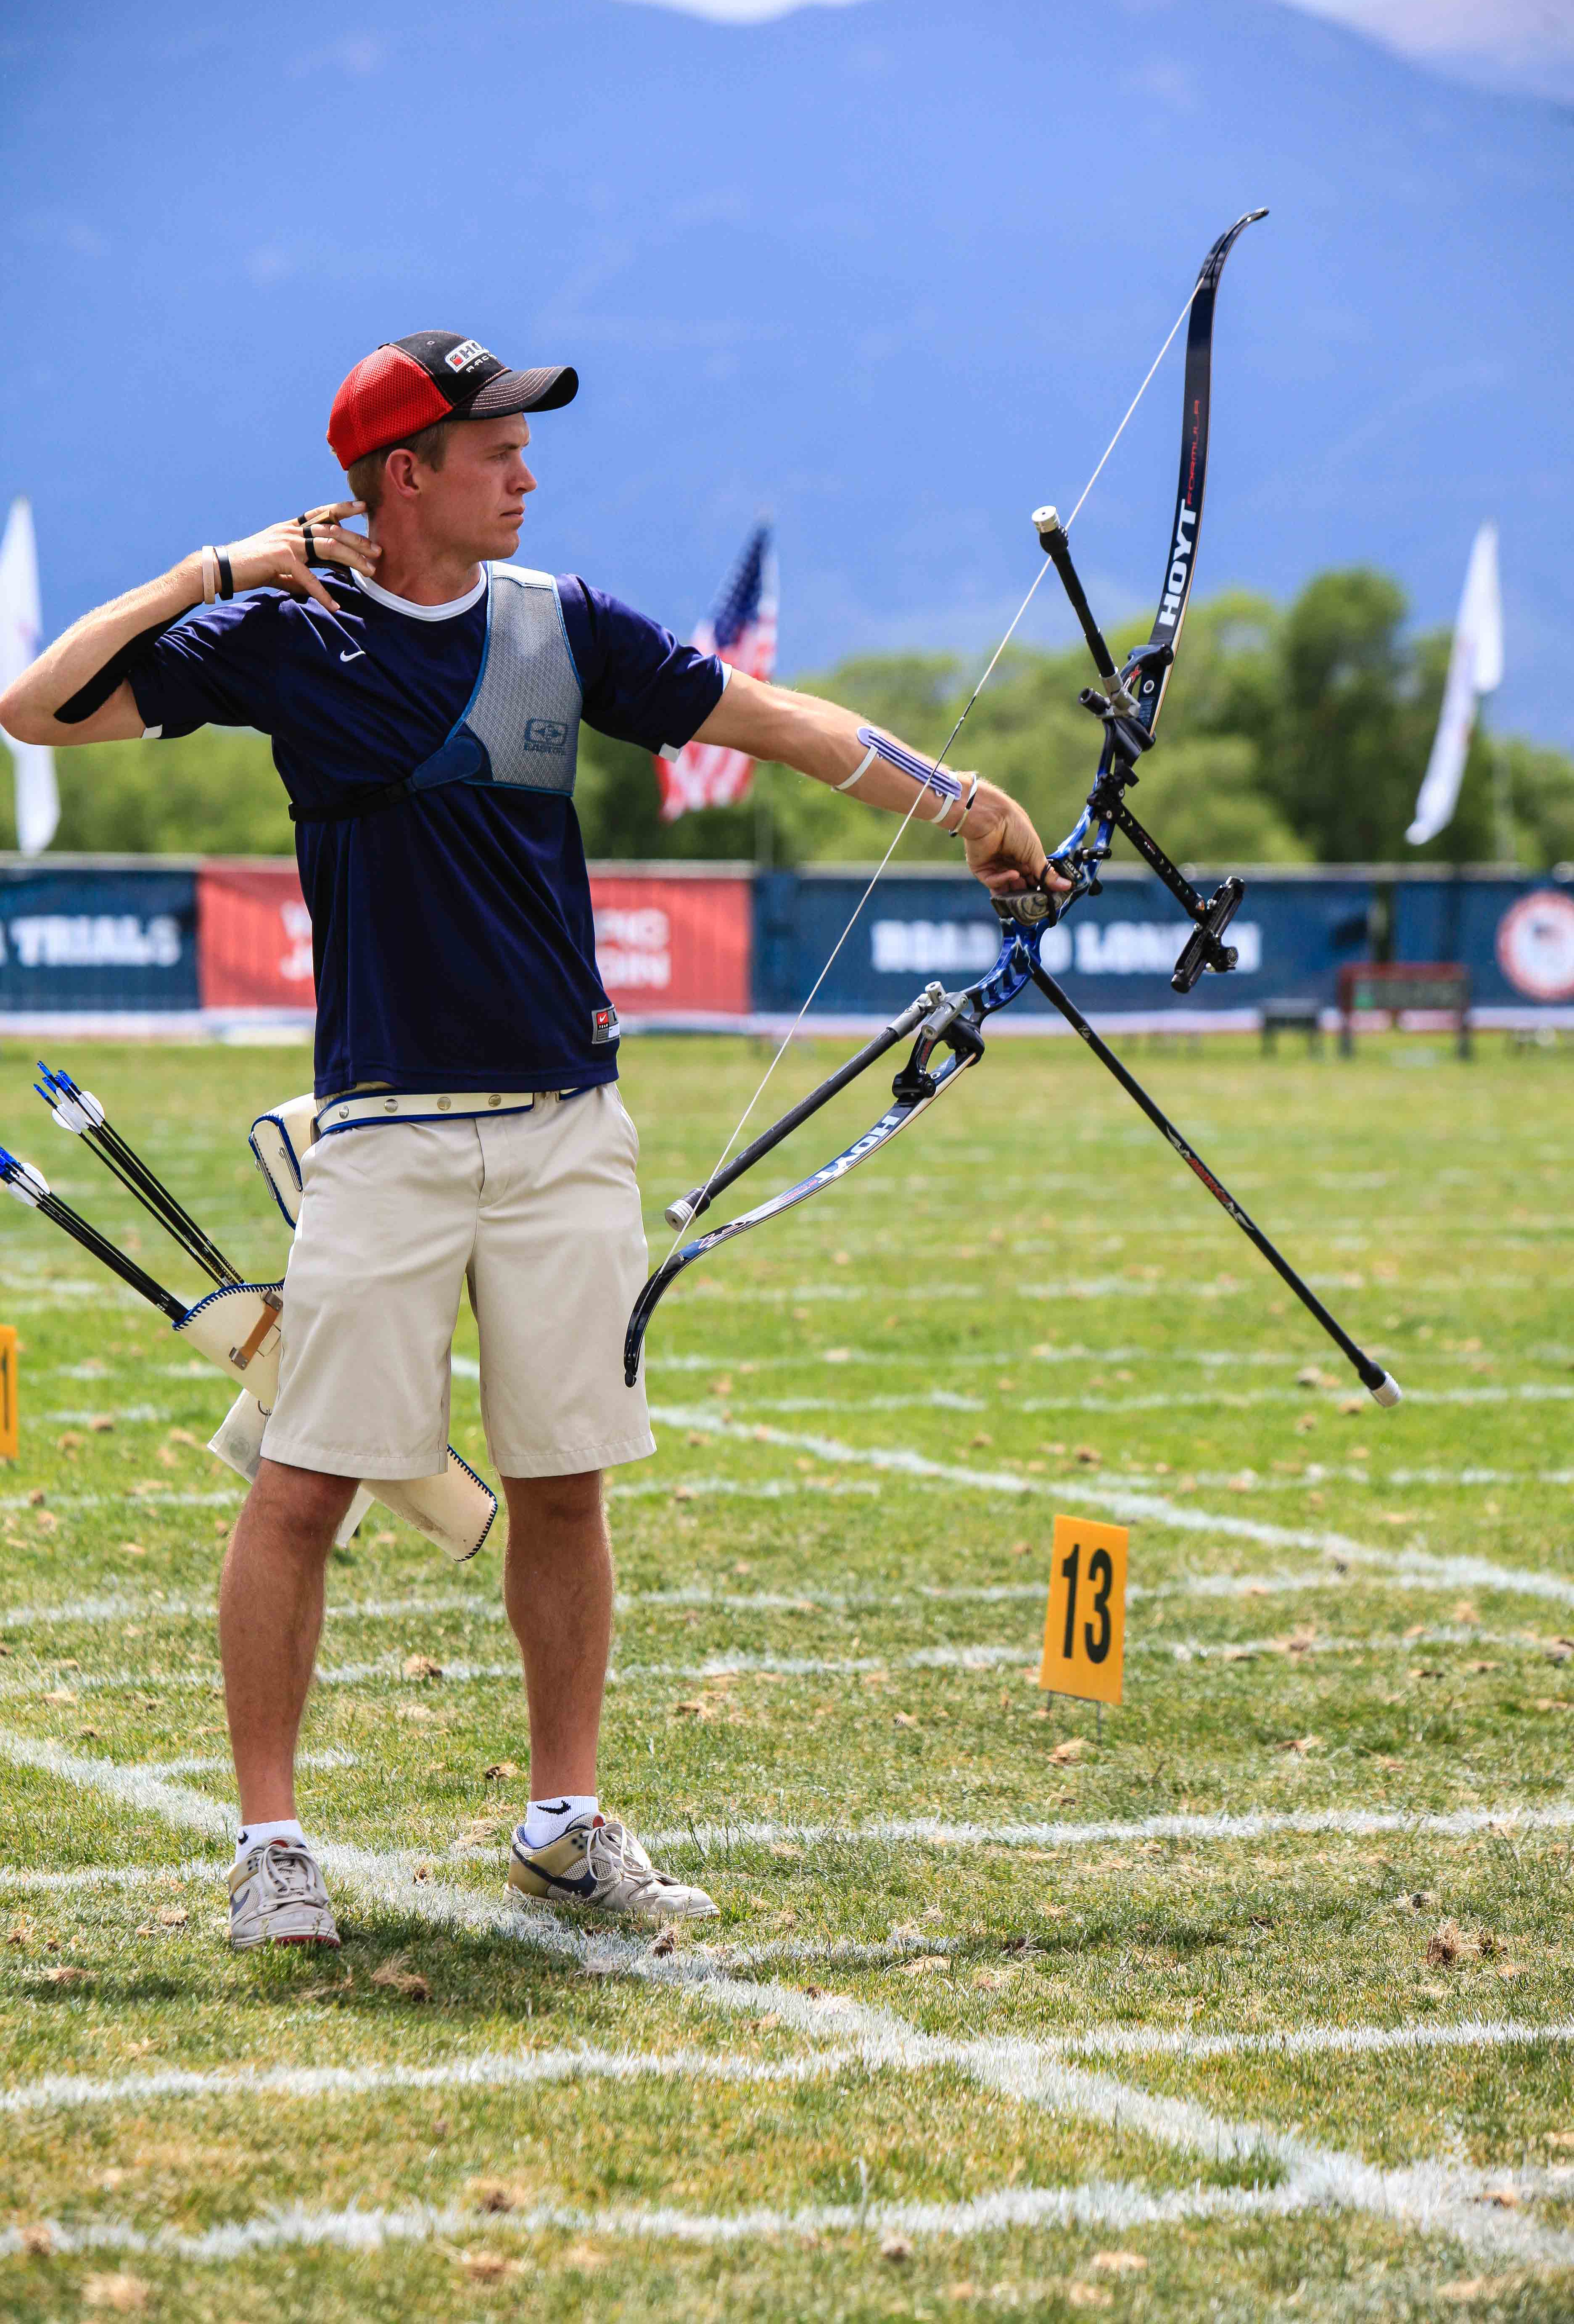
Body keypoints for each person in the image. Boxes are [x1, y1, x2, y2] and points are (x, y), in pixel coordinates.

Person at [0, 330, 1059, 1950]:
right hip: (384, 1134)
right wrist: (212, 567)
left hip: (570, 1127)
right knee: (302, 1490)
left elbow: (771, 721)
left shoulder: (563, 626)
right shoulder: (285, 636)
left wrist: (960, 793)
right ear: (402, 473)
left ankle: (563, 1820)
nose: (528, 468)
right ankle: (270, 1842)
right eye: (495, 446)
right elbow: (34, 706)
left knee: (567, 1486)